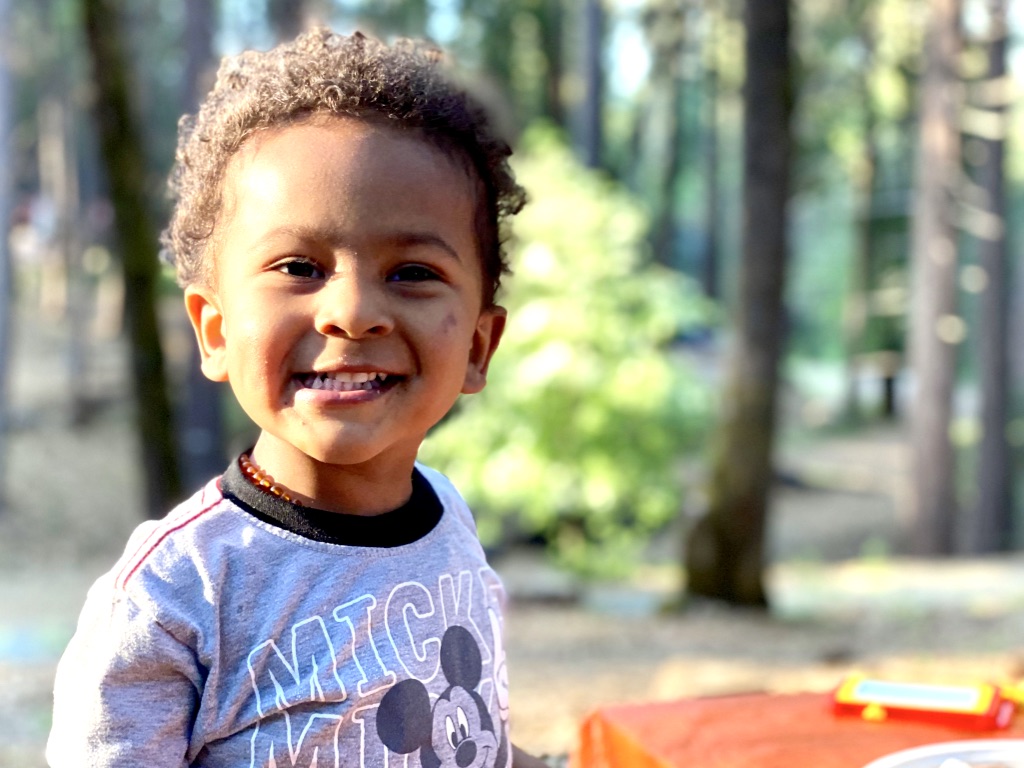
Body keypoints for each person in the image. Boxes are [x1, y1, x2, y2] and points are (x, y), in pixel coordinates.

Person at [47, 27, 548, 768]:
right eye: (298, 266)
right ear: (214, 333)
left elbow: (469, 735)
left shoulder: (452, 525)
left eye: (411, 272)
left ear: (477, 347)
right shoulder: (173, 597)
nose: (351, 311)